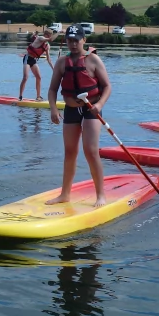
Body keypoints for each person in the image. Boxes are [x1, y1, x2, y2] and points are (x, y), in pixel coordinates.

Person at [47, 25, 112, 207]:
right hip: (70, 110)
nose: (73, 44)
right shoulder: (61, 62)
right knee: (70, 152)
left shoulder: (93, 60)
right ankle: (65, 194)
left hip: (91, 109)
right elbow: (52, 90)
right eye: (70, 40)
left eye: (76, 40)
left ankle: (101, 195)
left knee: (91, 151)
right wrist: (53, 109)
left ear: (84, 40)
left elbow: (107, 86)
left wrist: (99, 105)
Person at [19, 28, 57, 100]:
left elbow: (48, 59)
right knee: (25, 77)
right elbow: (51, 39)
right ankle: (20, 96)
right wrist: (59, 32)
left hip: (33, 60)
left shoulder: (47, 46)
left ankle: (38, 96)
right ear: (45, 35)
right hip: (27, 58)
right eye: (48, 35)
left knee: (39, 77)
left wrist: (53, 69)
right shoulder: (40, 38)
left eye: (49, 35)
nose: (48, 37)